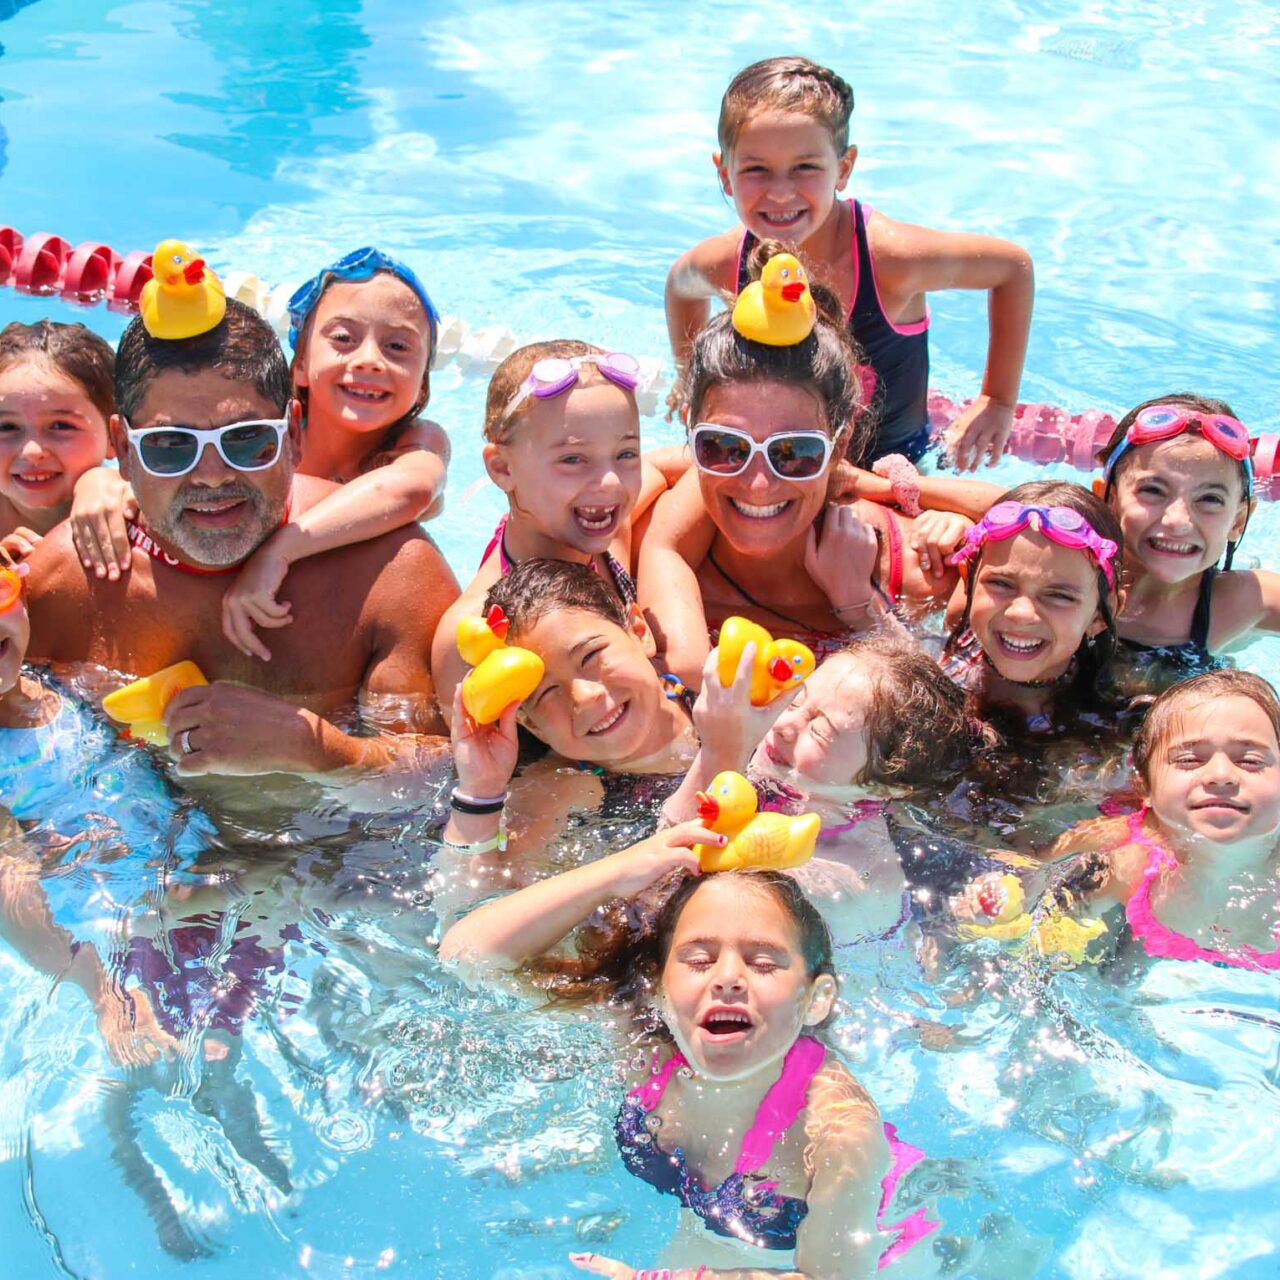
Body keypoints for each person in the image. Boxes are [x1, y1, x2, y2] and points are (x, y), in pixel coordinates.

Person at [440, 840, 936, 1278]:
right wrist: (618, 871)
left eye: (763, 963)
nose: (727, 977)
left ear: (816, 999)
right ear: (657, 988)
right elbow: (466, 956)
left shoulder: (836, 1132)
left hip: (892, 1257)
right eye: (699, 960)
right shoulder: (646, 1050)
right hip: (716, 1237)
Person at [24, 299, 459, 776]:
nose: (212, 476)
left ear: (293, 434)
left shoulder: (389, 574)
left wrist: (318, 748)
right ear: (124, 452)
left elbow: (449, 774)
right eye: (171, 446)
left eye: (246, 439)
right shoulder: (63, 584)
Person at [71, 247, 450, 661]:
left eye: (398, 347)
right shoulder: (257, 425)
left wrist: (281, 550)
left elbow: (411, 489)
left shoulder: (416, 441)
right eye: (343, 338)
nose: (370, 360)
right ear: (300, 363)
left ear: (424, 385)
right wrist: (95, 483)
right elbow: (148, 467)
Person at [665, 55, 1034, 469]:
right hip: (778, 467)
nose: (781, 192)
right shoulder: (727, 260)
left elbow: (1011, 268)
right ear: (725, 174)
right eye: (756, 169)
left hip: (892, 469)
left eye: (805, 167)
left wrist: (997, 400)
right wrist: (689, 384)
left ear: (843, 169)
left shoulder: (888, 259)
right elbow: (680, 287)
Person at [640, 269, 979, 689]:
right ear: (691, 432)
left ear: (839, 446)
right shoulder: (647, 544)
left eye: (795, 452)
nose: (757, 484)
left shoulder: (918, 567)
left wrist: (862, 606)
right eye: (725, 447)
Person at [431, 339, 663, 719]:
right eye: (573, 459)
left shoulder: (603, 526)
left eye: (626, 454)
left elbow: (668, 468)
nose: (610, 483)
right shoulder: (479, 636)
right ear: (503, 469)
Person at [1028, 671, 1280, 971]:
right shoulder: (1133, 860)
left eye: (1249, 760)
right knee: (1117, 978)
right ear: (1144, 786)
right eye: (1189, 760)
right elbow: (1041, 867)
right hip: (1155, 938)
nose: (1221, 776)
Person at [1095, 393, 1280, 689]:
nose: (1177, 521)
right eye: (1153, 490)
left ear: (1238, 521)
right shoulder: (1071, 573)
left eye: (1209, 499)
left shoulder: (1240, 601)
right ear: (1109, 499)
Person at [942, 480, 1124, 734]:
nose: (1021, 613)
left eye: (1060, 596)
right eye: (1000, 583)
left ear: (1100, 616)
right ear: (968, 582)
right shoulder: (953, 634)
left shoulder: (1100, 726)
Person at [0, 319, 114, 561]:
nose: (31, 451)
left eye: (61, 426)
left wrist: (106, 482)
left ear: (117, 438)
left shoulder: (126, 500)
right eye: (6, 427)